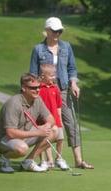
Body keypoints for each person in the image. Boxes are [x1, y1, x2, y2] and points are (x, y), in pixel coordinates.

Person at [29, 17, 94, 169]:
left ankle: (78, 160)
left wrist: (74, 83)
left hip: (63, 90)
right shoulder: (38, 49)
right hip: (45, 92)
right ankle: (47, 160)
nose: (58, 33)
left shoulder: (66, 47)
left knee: (70, 123)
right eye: (55, 31)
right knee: (46, 125)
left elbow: (72, 68)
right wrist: (35, 92)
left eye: (60, 31)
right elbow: (32, 74)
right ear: (47, 31)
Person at [0, 73, 59, 173]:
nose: (37, 90)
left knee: (53, 130)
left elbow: (51, 119)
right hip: (3, 139)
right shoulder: (14, 103)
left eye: (38, 87)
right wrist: (38, 132)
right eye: (33, 88)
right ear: (23, 88)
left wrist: (47, 126)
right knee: (22, 148)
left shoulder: (37, 99)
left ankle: (28, 161)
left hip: (23, 134)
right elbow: (11, 133)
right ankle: (4, 158)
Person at [37, 64, 70, 171]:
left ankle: (59, 158)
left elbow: (59, 106)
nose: (54, 77)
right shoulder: (38, 89)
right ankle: (43, 161)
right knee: (44, 141)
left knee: (60, 139)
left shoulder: (55, 88)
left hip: (56, 119)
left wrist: (59, 119)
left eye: (54, 75)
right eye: (51, 75)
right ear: (43, 76)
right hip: (43, 121)